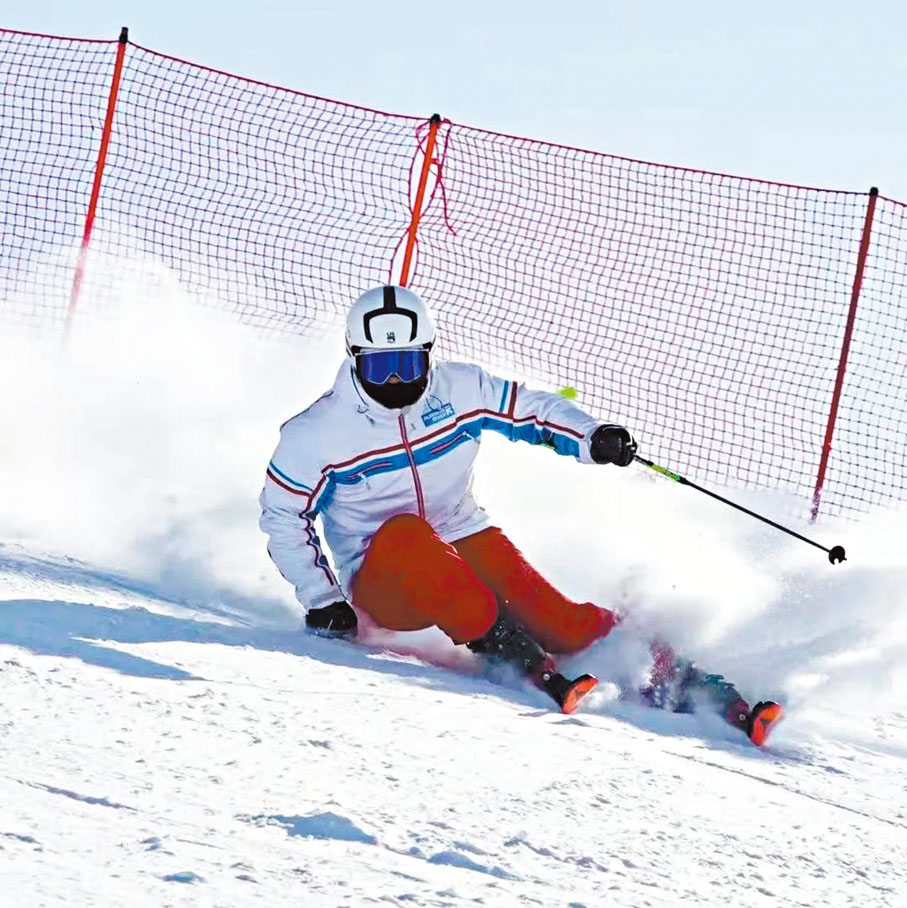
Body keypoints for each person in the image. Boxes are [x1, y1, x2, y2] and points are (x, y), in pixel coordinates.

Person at [260, 286, 783, 740]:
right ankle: (513, 651)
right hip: (385, 579)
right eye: (380, 366)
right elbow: (284, 515)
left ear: (429, 355)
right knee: (405, 536)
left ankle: (680, 675)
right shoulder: (318, 434)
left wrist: (589, 435)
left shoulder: (458, 390)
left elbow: (528, 408)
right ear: (355, 357)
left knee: (562, 622)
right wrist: (323, 599)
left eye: (409, 364)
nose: (396, 382)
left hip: (460, 532)